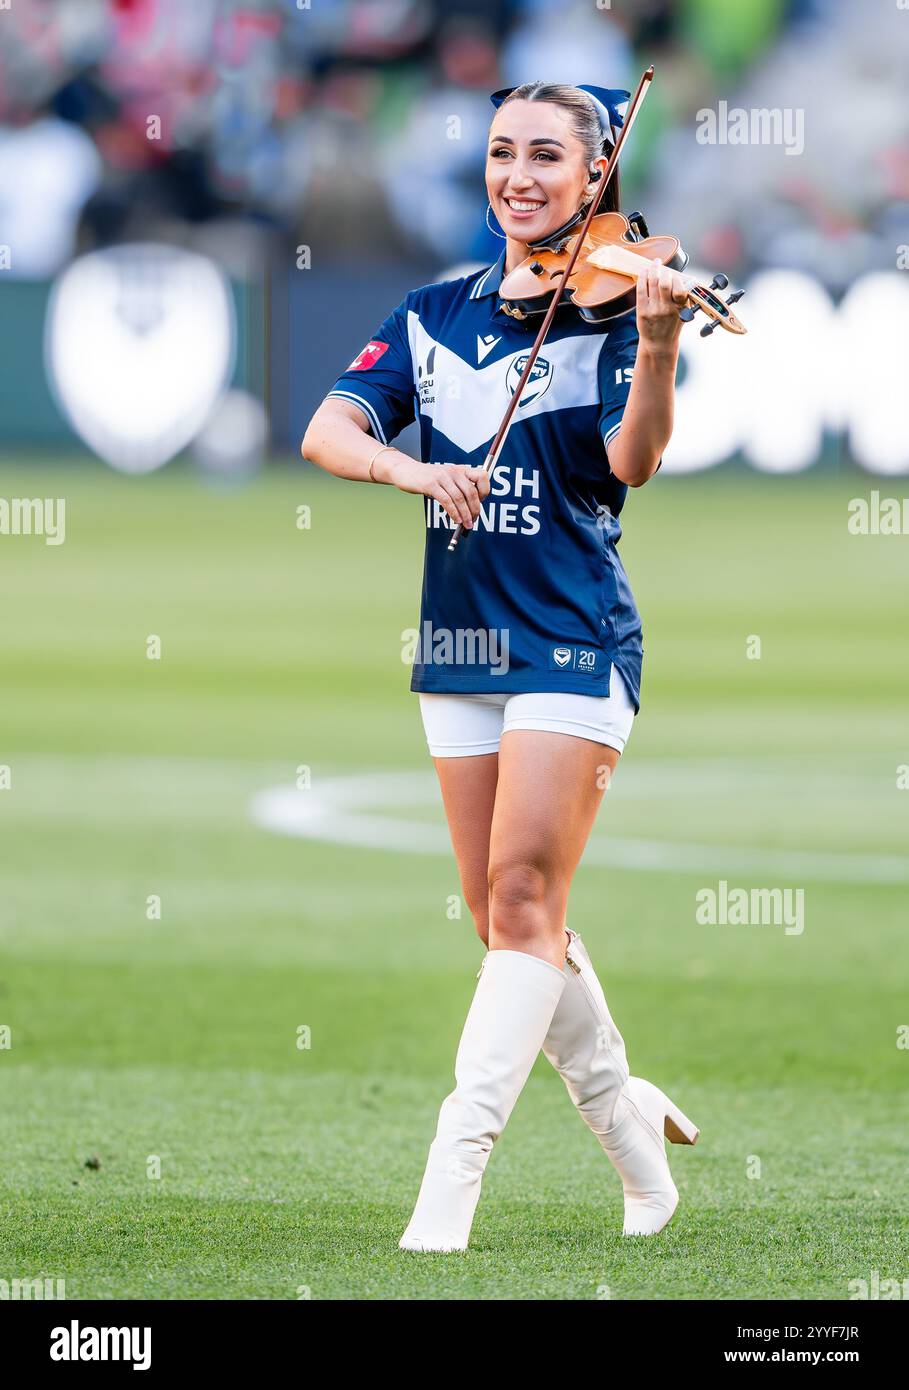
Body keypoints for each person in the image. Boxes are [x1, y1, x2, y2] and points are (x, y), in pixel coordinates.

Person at [302, 81, 699, 1254]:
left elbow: (632, 461)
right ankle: (636, 1138)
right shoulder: (435, 311)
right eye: (499, 154)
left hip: (575, 634)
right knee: (503, 917)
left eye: (545, 158)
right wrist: (412, 473)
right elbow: (330, 430)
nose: (517, 177)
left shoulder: (625, 304)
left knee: (524, 900)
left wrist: (664, 339)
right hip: (461, 640)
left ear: (595, 180)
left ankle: (449, 1185)